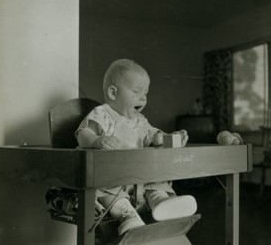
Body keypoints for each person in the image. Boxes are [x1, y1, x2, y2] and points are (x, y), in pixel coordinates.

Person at [76, 59, 197, 236]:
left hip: (140, 176)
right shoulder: (102, 114)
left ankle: (161, 202)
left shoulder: (140, 120)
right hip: (113, 176)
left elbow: (152, 136)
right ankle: (128, 216)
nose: (143, 98)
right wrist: (96, 141)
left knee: (157, 179)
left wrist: (167, 137)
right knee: (105, 189)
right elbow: (83, 133)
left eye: (145, 93)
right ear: (113, 92)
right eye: (136, 91)